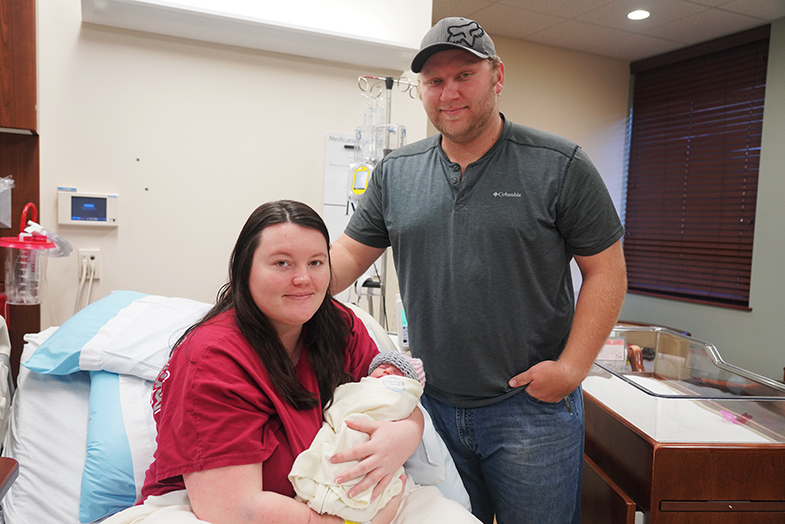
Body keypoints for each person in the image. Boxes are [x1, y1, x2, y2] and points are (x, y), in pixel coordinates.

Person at [329, 16, 628, 524]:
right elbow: (346, 260)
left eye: (464, 75)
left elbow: (607, 273)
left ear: (497, 76)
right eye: (434, 81)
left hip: (529, 412)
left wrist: (571, 370)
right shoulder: (396, 174)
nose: (449, 92)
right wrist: (282, 277)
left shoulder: (560, 166)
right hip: (431, 408)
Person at [101, 200, 427, 524]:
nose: (303, 278)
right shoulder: (213, 360)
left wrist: (406, 435)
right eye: (282, 263)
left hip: (338, 495)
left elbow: (393, 393)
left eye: (316, 262)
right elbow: (233, 509)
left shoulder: (338, 326)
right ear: (245, 270)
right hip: (211, 510)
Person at [290, 351, 443, 522]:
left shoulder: (400, 394)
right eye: (383, 367)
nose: (387, 372)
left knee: (392, 488)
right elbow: (339, 402)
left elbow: (408, 406)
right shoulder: (358, 388)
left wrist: (408, 430)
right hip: (345, 434)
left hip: (380, 450)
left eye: (397, 372)